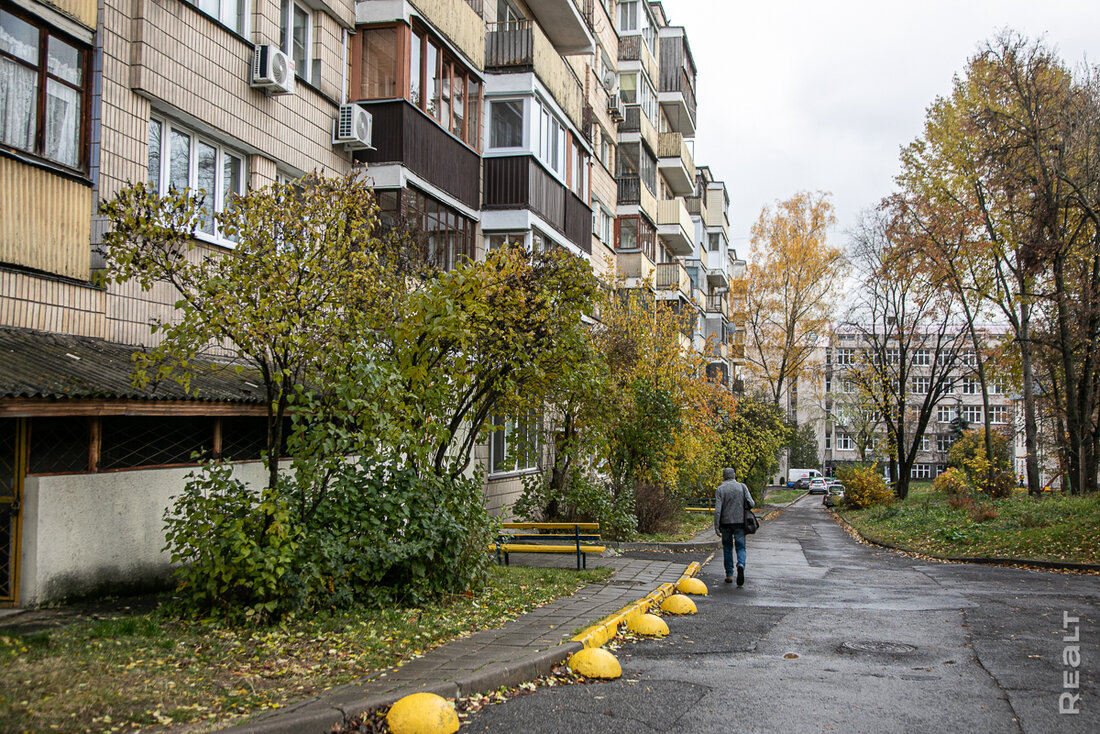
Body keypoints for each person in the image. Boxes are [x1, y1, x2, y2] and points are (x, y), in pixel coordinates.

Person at [714, 467, 754, 586]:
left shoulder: (720, 490)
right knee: (741, 547)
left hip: (725, 524)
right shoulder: (742, 487)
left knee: (727, 548)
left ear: (724, 476)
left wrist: (717, 527)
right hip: (740, 523)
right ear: (734, 475)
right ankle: (741, 564)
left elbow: (718, 510)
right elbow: (751, 503)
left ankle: (729, 575)